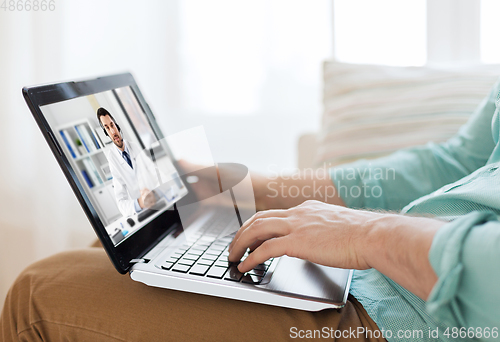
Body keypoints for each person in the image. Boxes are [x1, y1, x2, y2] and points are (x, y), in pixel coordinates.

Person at [2, 79, 500, 341]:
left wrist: (369, 234)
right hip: (390, 279)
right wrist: (239, 185)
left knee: (41, 291)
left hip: (421, 319)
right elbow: (455, 162)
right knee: (142, 247)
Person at [97, 107, 158, 217]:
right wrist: (140, 203)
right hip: (142, 212)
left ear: (117, 125)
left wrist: (155, 192)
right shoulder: (112, 158)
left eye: (112, 125)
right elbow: (121, 203)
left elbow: (155, 172)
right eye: (107, 128)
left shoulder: (134, 146)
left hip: (156, 201)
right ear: (105, 133)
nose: (112, 131)